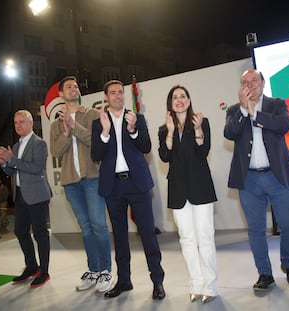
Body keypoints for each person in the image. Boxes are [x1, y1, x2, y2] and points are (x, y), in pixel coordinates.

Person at [224, 69, 289, 291]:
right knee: (256, 229)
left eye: (254, 80)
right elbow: (230, 133)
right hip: (249, 180)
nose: (250, 84)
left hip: (278, 176)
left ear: (263, 83)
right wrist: (243, 109)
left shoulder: (277, 104)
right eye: (244, 82)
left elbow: (283, 125)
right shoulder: (233, 110)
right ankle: (265, 273)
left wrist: (255, 114)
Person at [91, 80, 165, 300]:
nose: (118, 96)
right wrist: (104, 132)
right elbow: (96, 155)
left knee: (148, 234)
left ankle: (158, 282)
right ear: (106, 97)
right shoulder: (99, 123)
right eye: (113, 93)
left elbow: (147, 147)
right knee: (120, 237)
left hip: (137, 184)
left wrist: (132, 130)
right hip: (112, 187)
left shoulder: (136, 118)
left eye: (120, 93)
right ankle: (124, 281)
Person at [49, 76, 113, 293]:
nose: (74, 88)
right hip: (70, 182)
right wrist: (66, 132)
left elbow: (96, 141)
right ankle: (93, 270)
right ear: (60, 94)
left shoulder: (92, 114)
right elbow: (56, 151)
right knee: (85, 228)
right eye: (68, 86)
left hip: (92, 177)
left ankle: (106, 271)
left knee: (98, 225)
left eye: (76, 86)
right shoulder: (56, 124)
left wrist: (74, 126)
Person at [158, 85, 218, 304]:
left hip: (200, 187)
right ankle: (196, 284)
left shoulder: (202, 122)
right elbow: (165, 157)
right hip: (178, 190)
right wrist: (171, 132)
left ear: (190, 100)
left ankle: (210, 286)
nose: (179, 100)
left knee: (205, 236)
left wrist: (199, 131)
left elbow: (203, 152)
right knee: (187, 238)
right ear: (170, 103)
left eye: (183, 96)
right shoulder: (164, 129)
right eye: (175, 97)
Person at [0, 109, 53, 288]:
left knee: (40, 234)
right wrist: (3, 162)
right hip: (20, 195)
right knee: (21, 231)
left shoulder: (39, 143)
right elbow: (12, 171)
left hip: (37, 195)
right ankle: (32, 267)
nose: (18, 125)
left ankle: (45, 271)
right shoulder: (16, 146)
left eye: (21, 122)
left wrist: (12, 160)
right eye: (16, 123)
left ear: (31, 123)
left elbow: (36, 168)